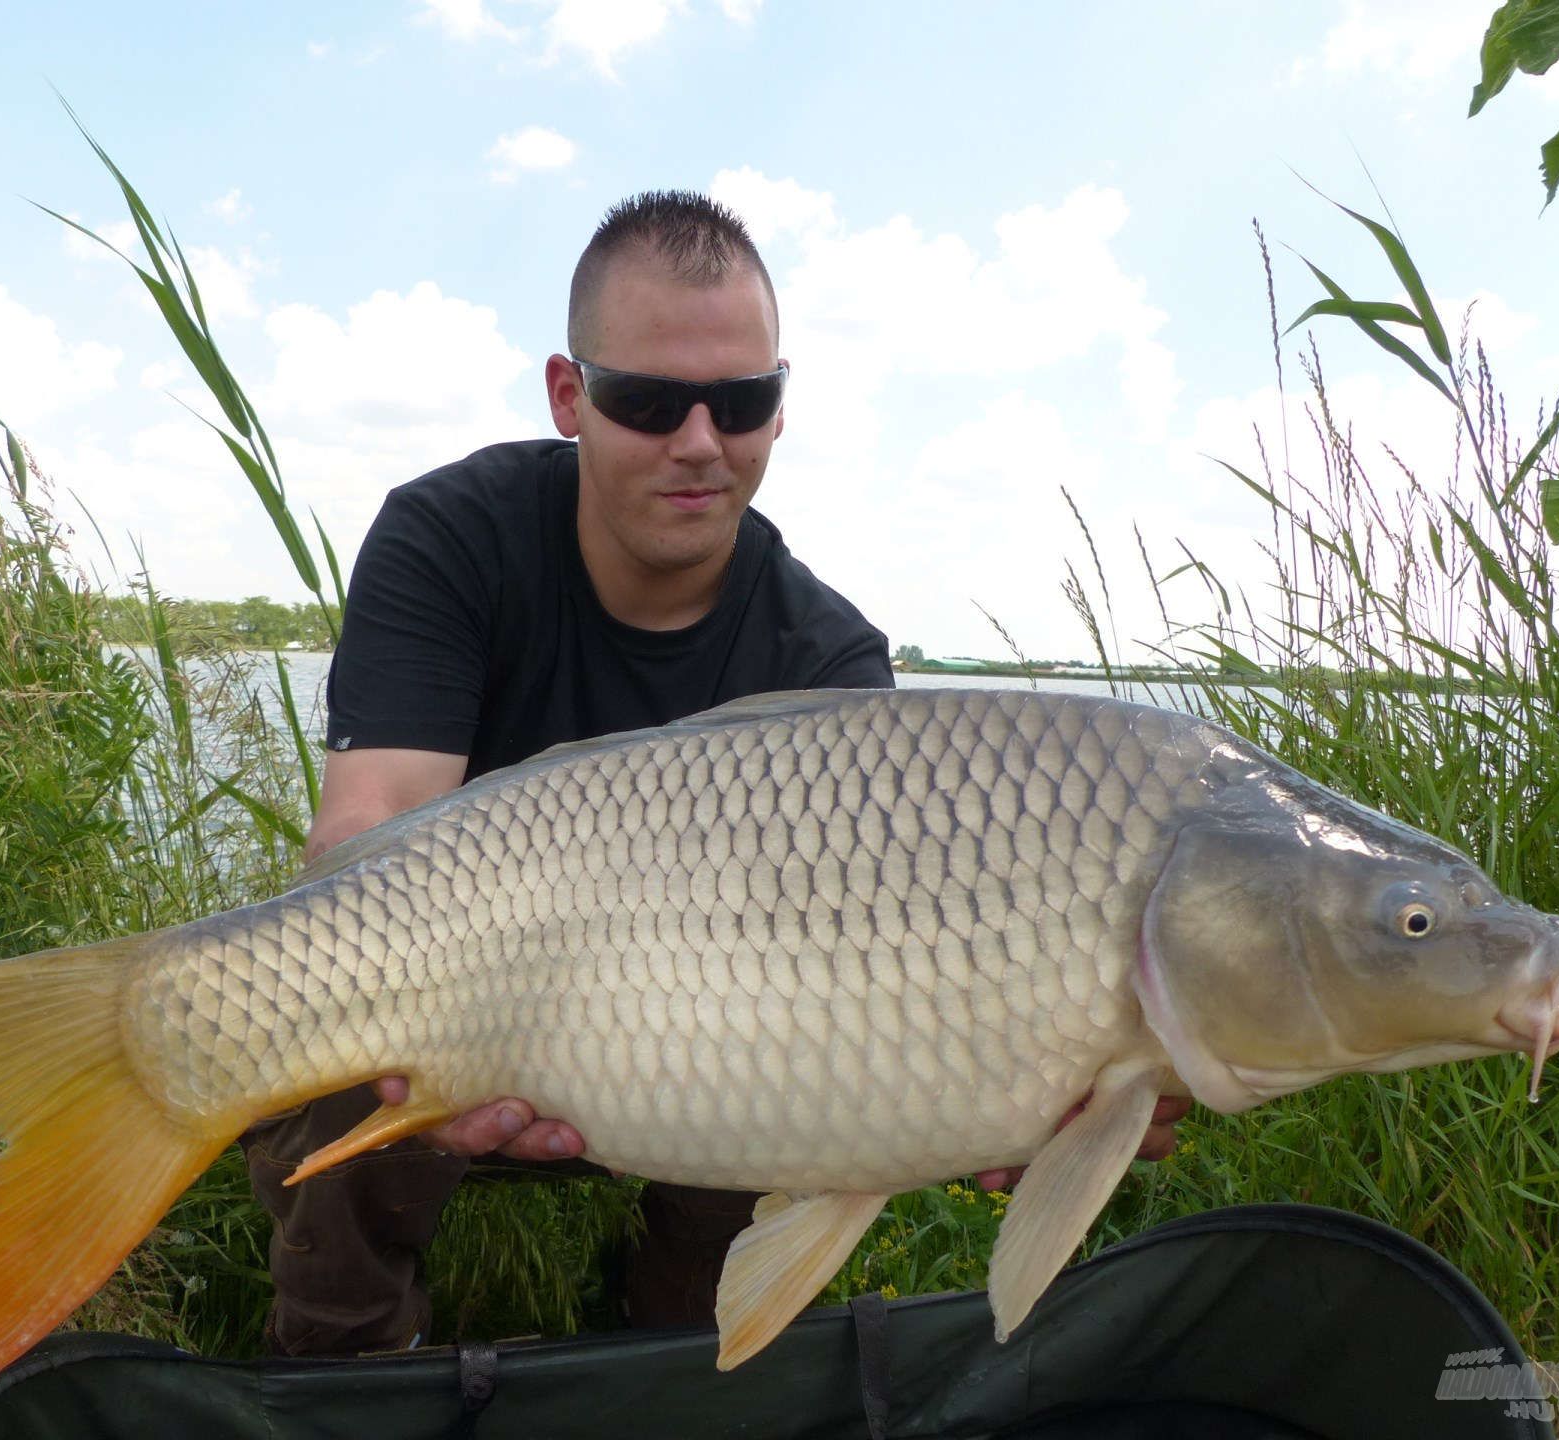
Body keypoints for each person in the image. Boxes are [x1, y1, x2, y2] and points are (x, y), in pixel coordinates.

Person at [243, 190, 1188, 1358]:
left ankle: (672, 1358)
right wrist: (463, 1035)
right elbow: (371, 823)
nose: (701, 441)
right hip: (468, 998)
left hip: (699, 1041)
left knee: (791, 1065)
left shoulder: (827, 659)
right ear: (569, 395)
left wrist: (1003, 1083)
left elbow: (876, 966)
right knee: (335, 977)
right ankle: (341, 1363)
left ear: (779, 409)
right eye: (648, 401)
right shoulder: (453, 535)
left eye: (742, 402)